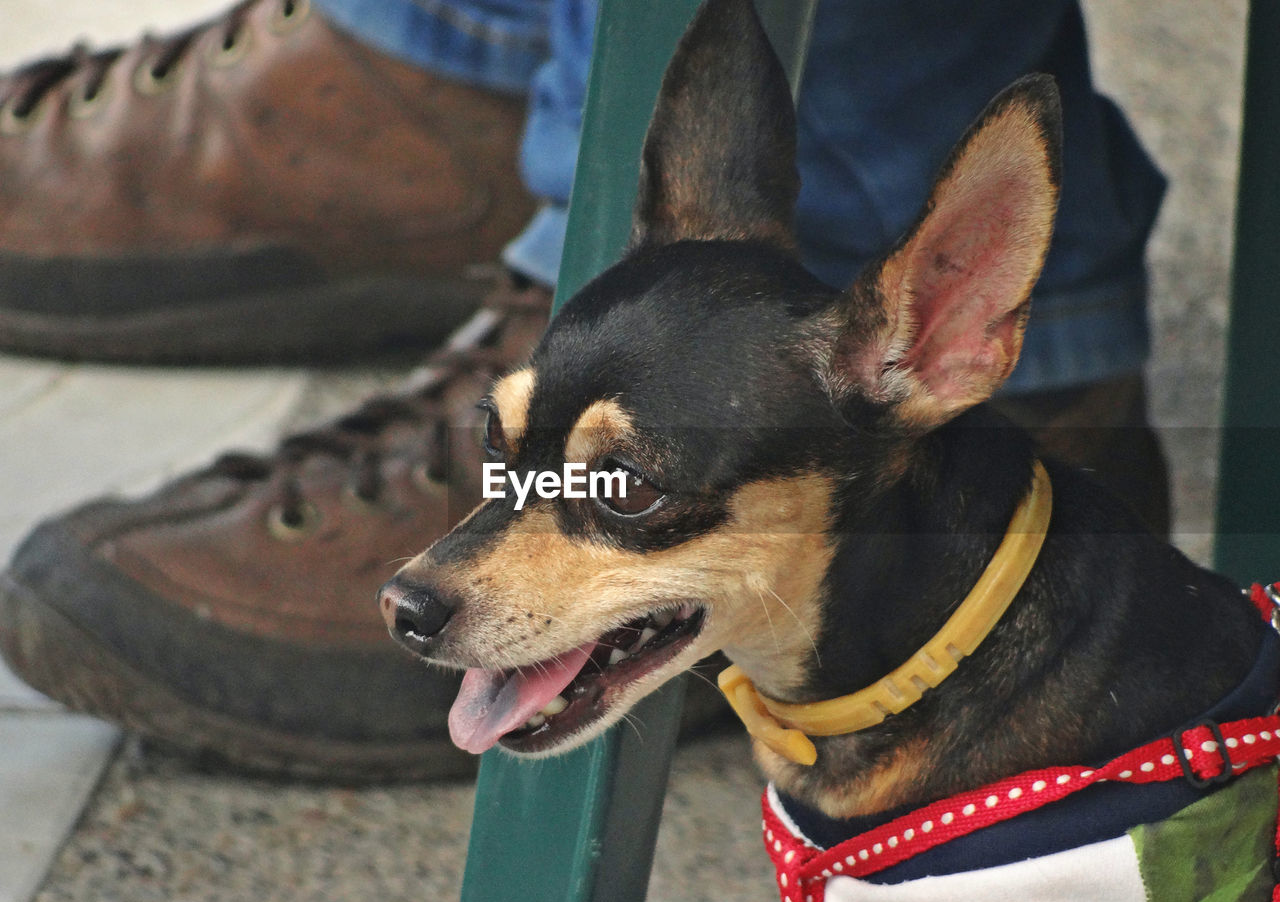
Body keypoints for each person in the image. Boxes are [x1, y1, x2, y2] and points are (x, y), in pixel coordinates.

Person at [0, 0, 1169, 781]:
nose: (423, 586)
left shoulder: (891, 353)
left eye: (620, 487)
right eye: (512, 453)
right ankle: (461, 47)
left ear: (950, 331)